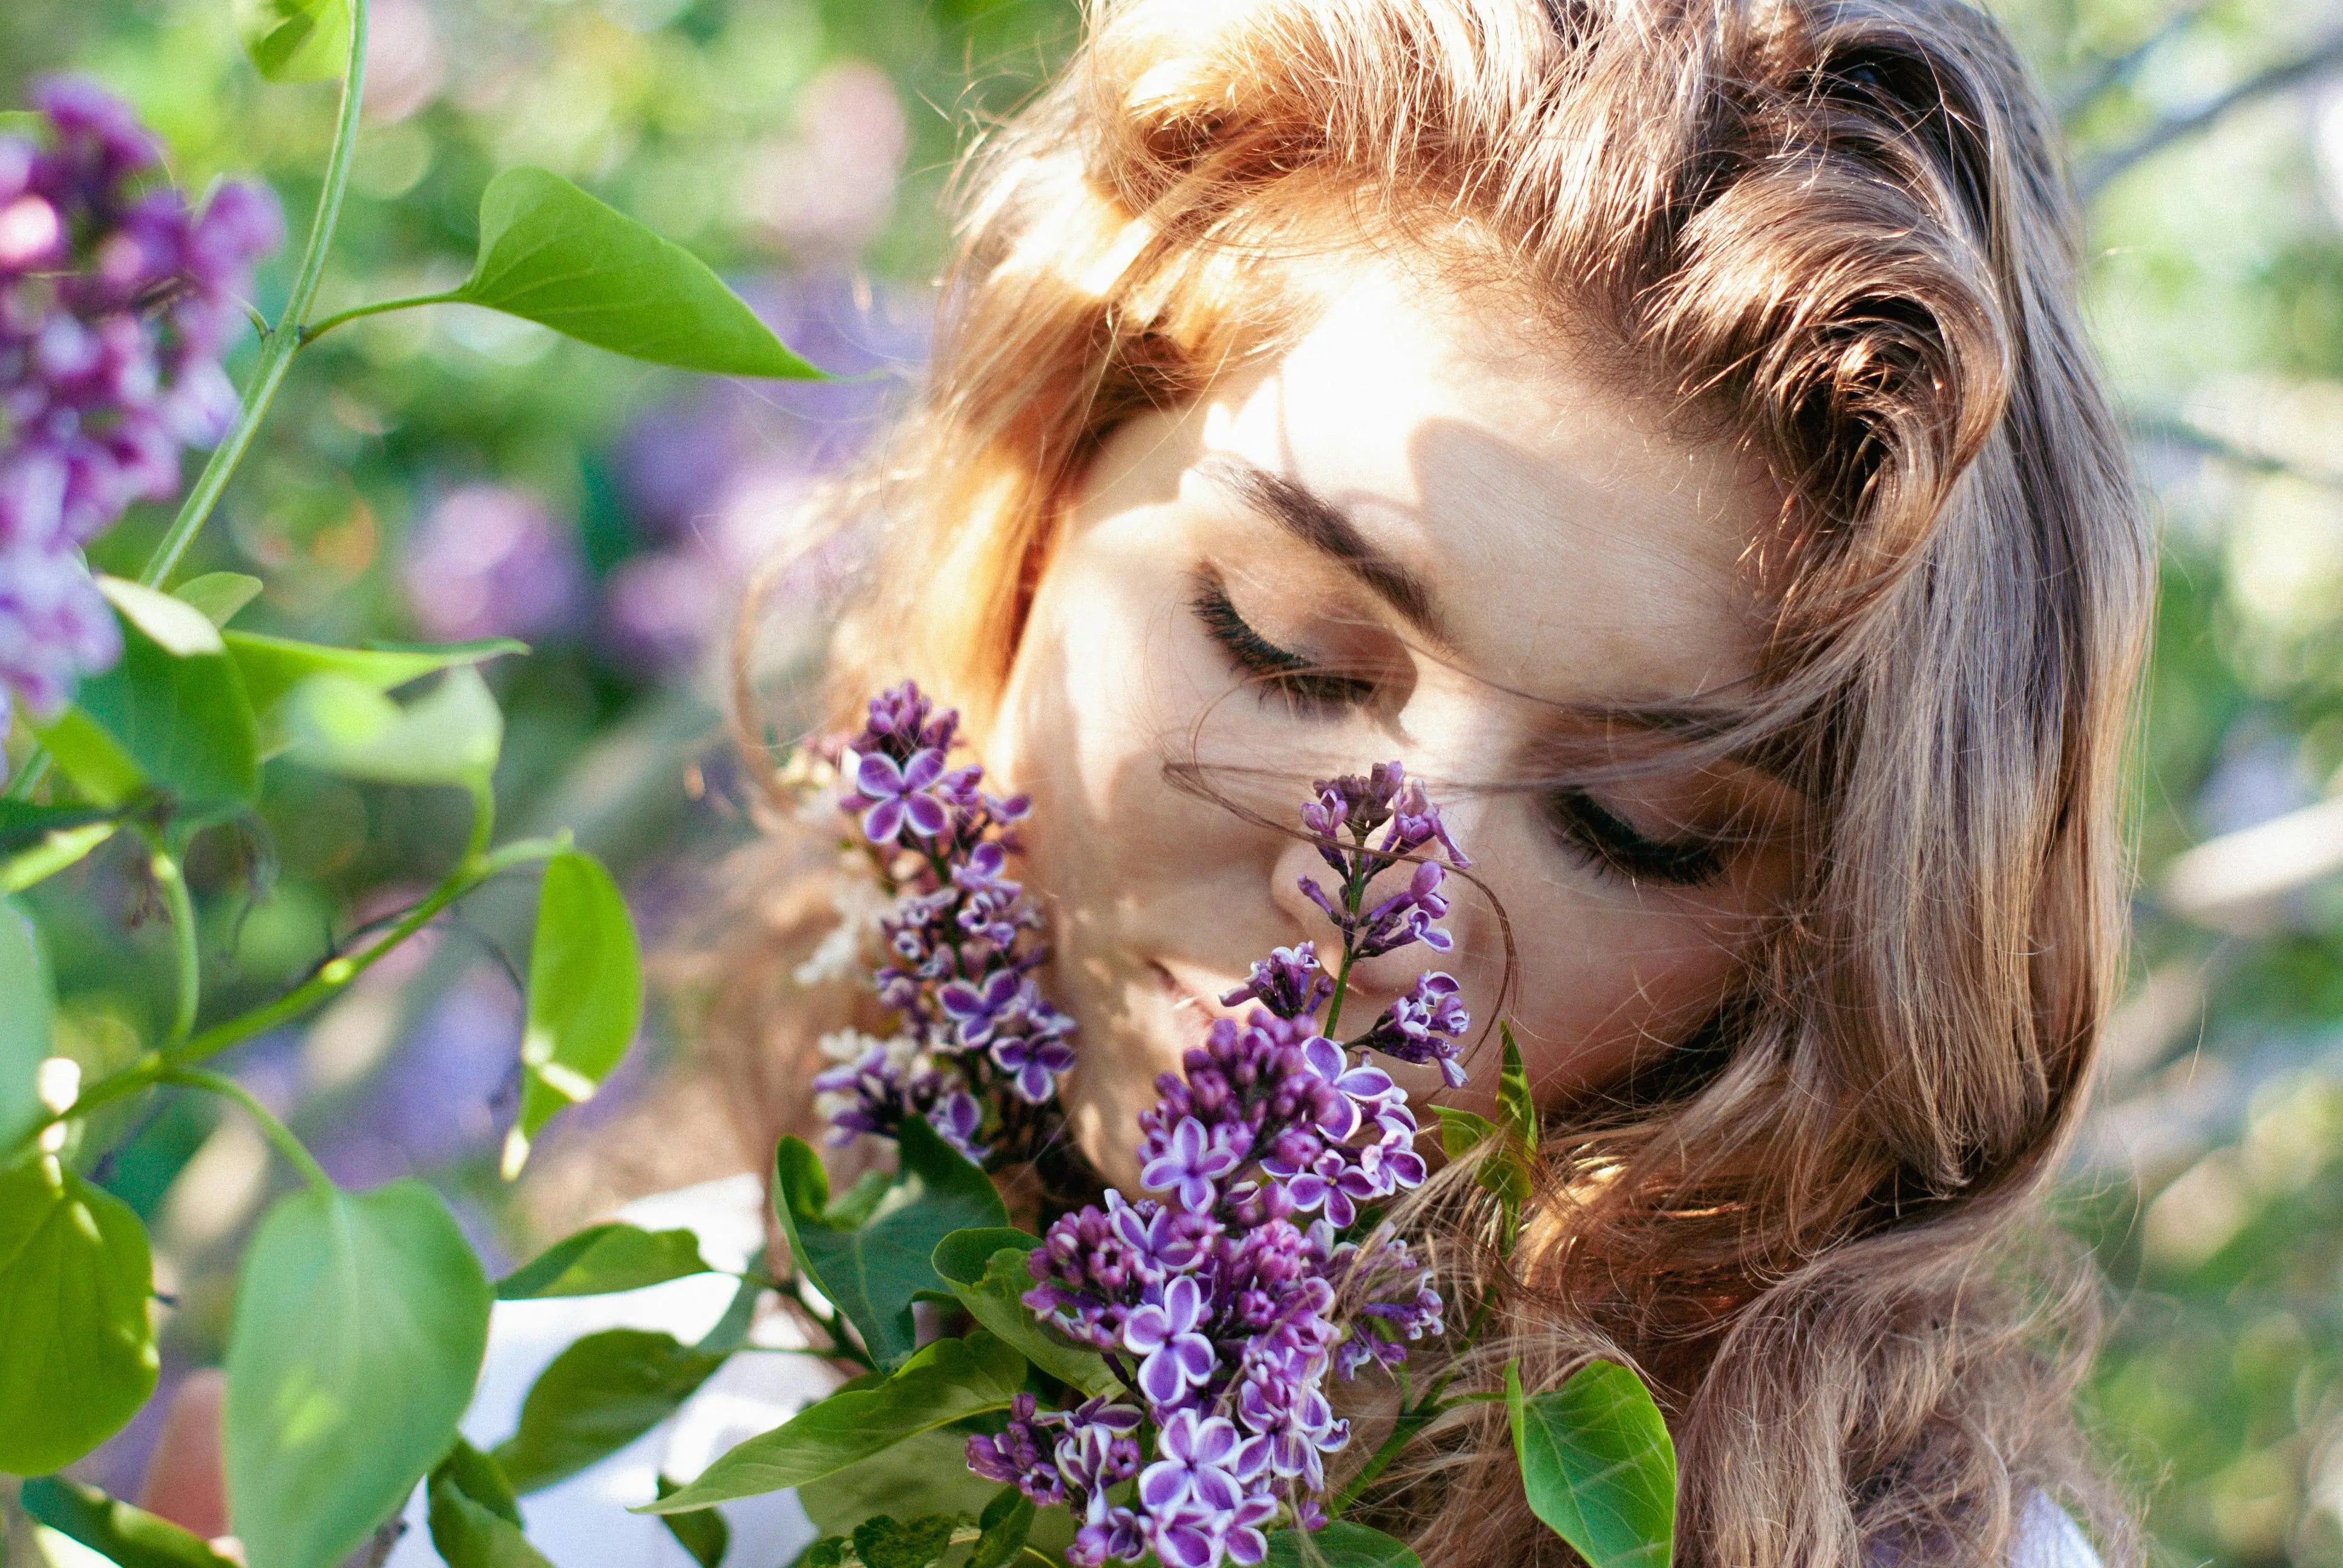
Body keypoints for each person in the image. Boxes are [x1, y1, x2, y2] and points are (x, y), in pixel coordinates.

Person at [142, 1, 2150, 1564]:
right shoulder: (494, 1457)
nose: (1373, 893)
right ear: (1034, 512)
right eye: (1281, 641)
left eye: (1637, 824)